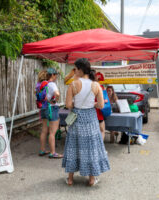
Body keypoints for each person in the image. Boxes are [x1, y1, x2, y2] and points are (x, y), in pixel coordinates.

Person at [62, 58, 110, 186]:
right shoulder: (96, 85)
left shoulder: (73, 84)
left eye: (75, 69)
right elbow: (100, 105)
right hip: (90, 118)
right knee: (91, 147)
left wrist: (77, 104)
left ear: (80, 70)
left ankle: (70, 179)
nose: (75, 71)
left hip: (77, 117)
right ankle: (92, 179)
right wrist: (91, 103)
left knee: (73, 146)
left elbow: (68, 104)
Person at [39, 68, 63, 159]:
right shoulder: (52, 84)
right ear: (52, 75)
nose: (56, 76)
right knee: (52, 132)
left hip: (44, 108)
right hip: (52, 108)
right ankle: (53, 153)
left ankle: (42, 150)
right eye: (56, 75)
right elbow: (57, 94)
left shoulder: (42, 84)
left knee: (44, 130)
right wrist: (54, 101)